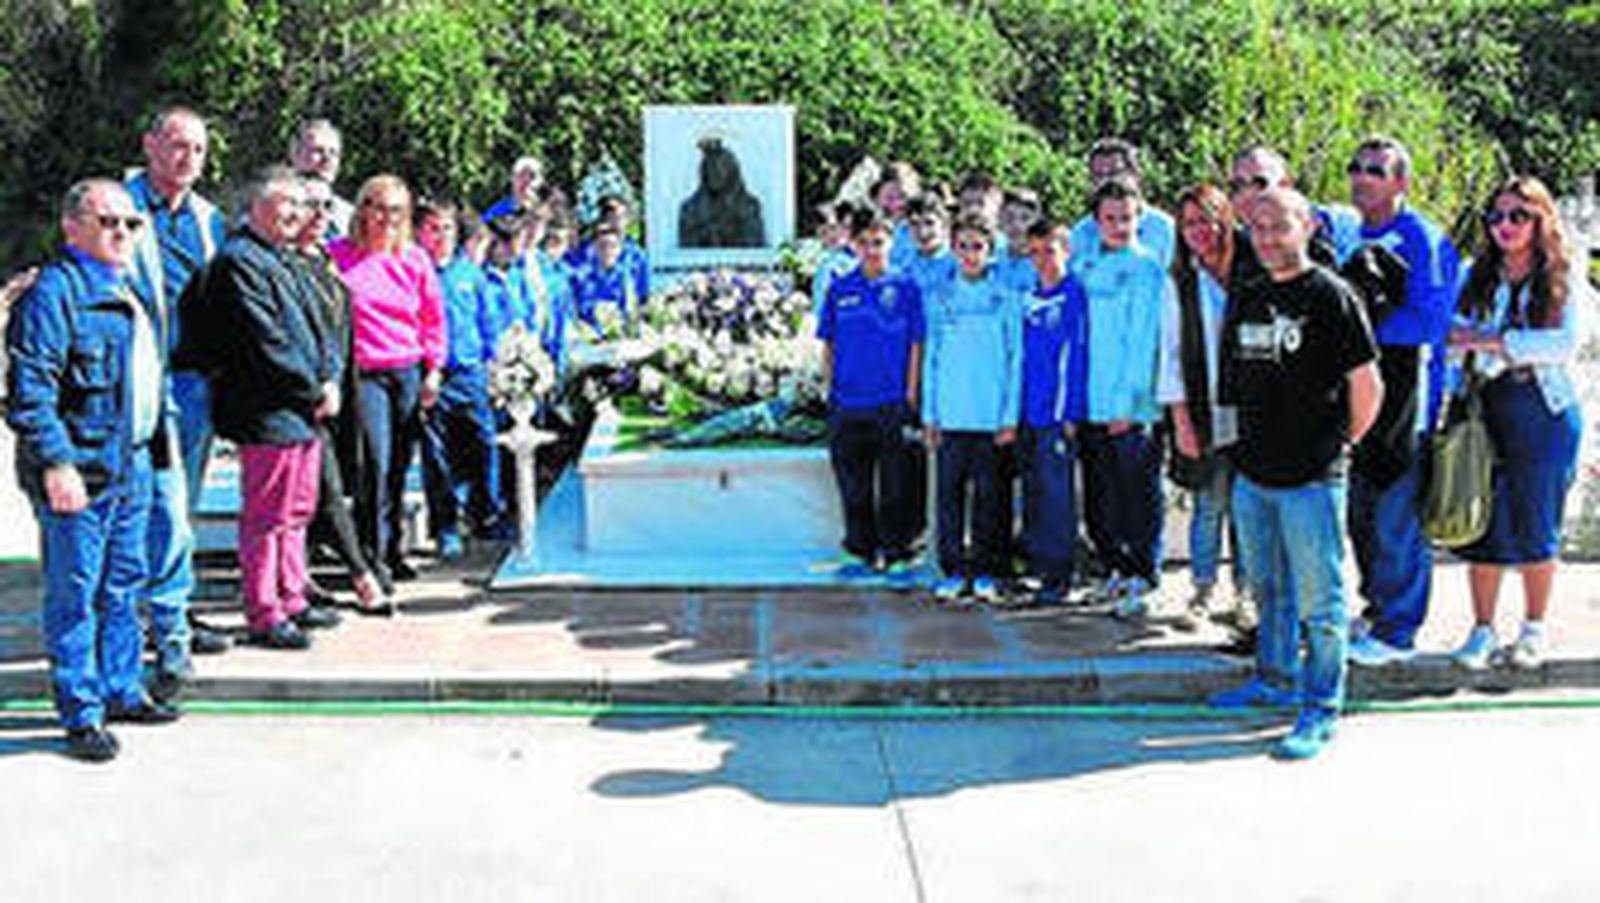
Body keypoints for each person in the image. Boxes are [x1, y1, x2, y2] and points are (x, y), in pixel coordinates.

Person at [8, 179, 181, 761]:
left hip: (132, 464)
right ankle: (81, 711)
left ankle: (121, 688)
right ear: (72, 227)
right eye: (108, 222)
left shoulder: (128, 286)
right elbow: (31, 392)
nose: (122, 232)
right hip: (81, 470)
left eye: (131, 223)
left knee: (123, 586)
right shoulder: (53, 294)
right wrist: (57, 464)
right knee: (75, 595)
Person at [1212, 188, 1383, 761]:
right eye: (1257, 227)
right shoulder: (1249, 293)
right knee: (1268, 589)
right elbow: (1231, 382)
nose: (1266, 237)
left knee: (1321, 602)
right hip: (1253, 476)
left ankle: (1321, 707)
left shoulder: (1332, 296)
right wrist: (1236, 454)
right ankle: (1274, 677)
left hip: (1312, 479)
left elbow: (1368, 388)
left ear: (1307, 226)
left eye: (1278, 225)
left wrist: (1337, 447)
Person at [1447, 176, 1591, 670]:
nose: (1504, 226)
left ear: (1540, 219)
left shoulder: (1563, 276)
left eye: (1518, 216)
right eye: (1496, 216)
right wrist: (1484, 344)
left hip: (1544, 411)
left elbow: (1563, 344)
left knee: (1538, 522)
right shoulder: (1474, 275)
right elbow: (1448, 338)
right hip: (1486, 408)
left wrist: (1492, 340)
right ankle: (1481, 630)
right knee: (1482, 523)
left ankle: (1533, 629)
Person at [209, 167, 342, 649]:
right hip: (269, 409)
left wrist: (329, 376)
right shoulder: (240, 261)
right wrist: (313, 388)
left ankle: (293, 595)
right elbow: (265, 340)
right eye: (286, 202)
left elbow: (321, 328)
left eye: (300, 205)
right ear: (258, 205)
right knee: (267, 516)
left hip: (302, 409)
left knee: (297, 510)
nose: (296, 213)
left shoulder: (284, 257)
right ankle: (265, 612)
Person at [1342, 136, 1460, 666]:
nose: (1362, 177)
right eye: (1356, 167)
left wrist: (1364, 323)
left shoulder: (1422, 237)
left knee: (1396, 515)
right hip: (1361, 392)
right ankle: (1377, 609)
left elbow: (1431, 322)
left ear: (1401, 182)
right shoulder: (1351, 233)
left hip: (1408, 395)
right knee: (1362, 513)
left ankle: (1399, 630)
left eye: (1376, 170)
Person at [125, 104, 231, 682]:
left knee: (180, 505)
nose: (189, 157)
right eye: (178, 145)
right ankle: (151, 620)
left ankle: (173, 610)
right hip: (138, 384)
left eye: (199, 149)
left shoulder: (208, 219)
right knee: (149, 504)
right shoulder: (120, 208)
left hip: (194, 384)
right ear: (150, 145)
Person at [329, 175, 448, 586]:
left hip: (407, 370)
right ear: (363, 209)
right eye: (378, 207)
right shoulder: (338, 255)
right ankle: (371, 559)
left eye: (396, 210)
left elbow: (433, 319)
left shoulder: (415, 259)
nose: (386, 217)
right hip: (364, 373)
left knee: (398, 466)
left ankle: (393, 549)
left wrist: (434, 369)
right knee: (373, 465)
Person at [288, 175, 391, 614]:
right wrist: (317, 382)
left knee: (325, 486)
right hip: (304, 395)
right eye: (309, 205)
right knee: (325, 486)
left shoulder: (325, 261)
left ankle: (299, 578)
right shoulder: (283, 264)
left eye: (326, 206)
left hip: (342, 390)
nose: (319, 215)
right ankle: (361, 574)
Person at [1076, 176, 1172, 620]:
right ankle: (1113, 568)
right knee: (1102, 495)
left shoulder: (1149, 269)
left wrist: (1128, 405)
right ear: (1096, 222)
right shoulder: (1086, 269)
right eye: (1110, 218)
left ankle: (1143, 574)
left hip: (1132, 409)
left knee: (1139, 493)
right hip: (1091, 405)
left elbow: (1144, 344)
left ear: (1140, 218)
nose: (1119, 226)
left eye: (1127, 218)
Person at [817, 209, 924, 581]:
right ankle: (860, 550)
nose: (872, 250)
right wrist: (829, 390)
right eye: (864, 243)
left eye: (878, 242)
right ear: (853, 244)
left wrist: (911, 393)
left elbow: (916, 344)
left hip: (891, 402)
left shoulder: (906, 287)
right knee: (854, 486)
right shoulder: (839, 288)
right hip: (847, 404)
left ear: (890, 243)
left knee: (896, 486)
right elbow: (828, 344)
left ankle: (897, 552)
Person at [922, 213, 1024, 602]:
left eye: (977, 246)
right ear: (952, 249)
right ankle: (953, 570)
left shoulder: (1006, 297)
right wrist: (930, 415)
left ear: (990, 250)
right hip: (950, 417)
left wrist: (1009, 417)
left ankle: (986, 570)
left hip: (991, 418)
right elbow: (931, 359)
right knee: (949, 500)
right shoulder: (940, 297)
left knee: (990, 500)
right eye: (962, 246)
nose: (969, 254)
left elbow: (1015, 359)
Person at [1159, 185, 1243, 629]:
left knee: (1248, 507)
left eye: (1205, 220)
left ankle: (1247, 593)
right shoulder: (1180, 280)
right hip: (1205, 405)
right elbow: (1171, 355)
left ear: (1223, 220)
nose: (1197, 231)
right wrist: (1182, 422)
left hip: (1252, 406)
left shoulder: (1252, 269)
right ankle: (1203, 590)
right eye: (1188, 223)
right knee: (1209, 502)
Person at [416, 199, 503, 560]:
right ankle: (446, 526)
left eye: (448, 228)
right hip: (431, 377)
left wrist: (494, 369)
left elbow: (488, 324)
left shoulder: (470, 274)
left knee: (484, 443)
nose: (441, 236)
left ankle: (487, 514)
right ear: (421, 233)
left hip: (470, 375)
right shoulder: (414, 272)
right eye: (433, 229)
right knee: (437, 455)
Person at [1019, 220, 1089, 606]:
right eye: (1035, 252)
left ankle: (1060, 576)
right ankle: (1037, 566)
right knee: (1034, 493)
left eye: (1050, 250)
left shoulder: (1074, 293)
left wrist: (1070, 412)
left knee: (1058, 496)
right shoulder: (1028, 296)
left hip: (1057, 415)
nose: (1042, 259)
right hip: (1027, 413)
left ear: (1067, 250)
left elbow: (1076, 354)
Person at [1070, 139, 1176, 270]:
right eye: (1098, 176)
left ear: (1136, 175)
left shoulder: (1165, 229)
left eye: (1114, 173)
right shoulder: (1080, 233)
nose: (1106, 181)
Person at [289, 118, 355, 235]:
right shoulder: (276, 209)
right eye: (318, 151)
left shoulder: (349, 216)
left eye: (333, 153)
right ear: (295, 154)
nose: (327, 159)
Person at [810, 200, 858, 316]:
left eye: (833, 228)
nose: (831, 235)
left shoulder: (855, 259)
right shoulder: (824, 263)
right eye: (823, 232)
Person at [482, 155, 545, 224]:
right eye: (522, 174)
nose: (526, 178)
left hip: (515, 204)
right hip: (509, 202)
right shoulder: (503, 201)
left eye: (530, 175)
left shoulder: (532, 199)